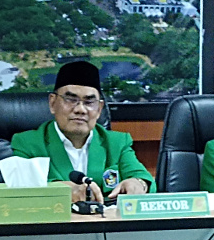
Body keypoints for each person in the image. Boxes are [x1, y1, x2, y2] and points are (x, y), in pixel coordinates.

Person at [10, 61, 155, 203]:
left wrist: (139, 184)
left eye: (89, 102)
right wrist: (61, 190)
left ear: (99, 109)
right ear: (52, 103)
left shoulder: (117, 143)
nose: (80, 109)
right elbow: (20, 189)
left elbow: (142, 177)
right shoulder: (27, 144)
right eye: (71, 100)